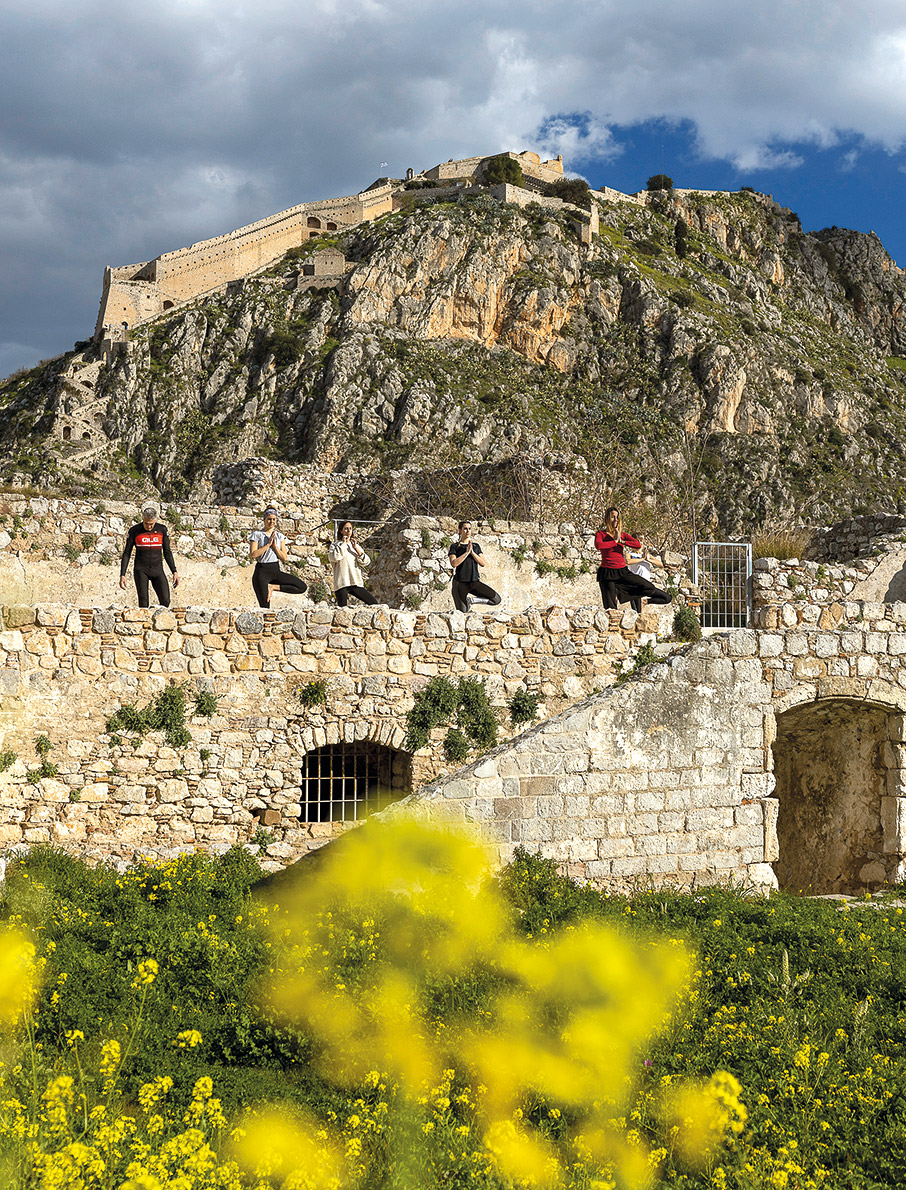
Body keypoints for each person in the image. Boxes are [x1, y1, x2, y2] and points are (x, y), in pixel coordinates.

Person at [594, 507, 671, 612]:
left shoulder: (622, 534)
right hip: (607, 573)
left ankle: (620, 593)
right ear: (607, 518)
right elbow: (599, 545)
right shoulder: (601, 534)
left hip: (622, 571)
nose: (615, 520)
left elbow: (637, 544)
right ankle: (615, 596)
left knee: (648, 587)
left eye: (617, 517)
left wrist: (622, 541)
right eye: (612, 517)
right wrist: (615, 541)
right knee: (611, 609)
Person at [119, 503, 180, 608]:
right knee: (143, 603)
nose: (149, 526)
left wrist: (174, 571)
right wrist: (122, 574)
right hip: (141, 570)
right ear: (143, 519)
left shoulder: (162, 530)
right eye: (146, 523)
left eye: (151, 524)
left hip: (157, 569)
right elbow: (127, 553)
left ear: (155, 520)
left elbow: (167, 552)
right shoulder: (134, 531)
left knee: (166, 601)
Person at [248, 507, 309, 609]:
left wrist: (275, 546)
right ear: (264, 519)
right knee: (265, 607)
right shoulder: (257, 535)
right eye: (269, 519)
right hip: (261, 572)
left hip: (275, 571)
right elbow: (253, 555)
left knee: (302, 587)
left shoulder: (280, 536)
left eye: (273, 519)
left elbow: (284, 558)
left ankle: (273, 587)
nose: (271, 521)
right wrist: (267, 545)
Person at [449, 520, 502, 613]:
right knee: (463, 613)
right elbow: (454, 563)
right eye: (465, 529)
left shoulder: (475, 546)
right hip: (460, 584)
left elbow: (483, 563)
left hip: (474, 582)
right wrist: (466, 553)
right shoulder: (455, 547)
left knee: (496, 599)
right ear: (460, 530)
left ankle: (472, 601)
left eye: (469, 529)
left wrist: (472, 552)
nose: (468, 531)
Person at [329, 521, 378, 607]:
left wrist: (356, 549)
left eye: (350, 528)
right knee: (342, 610)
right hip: (342, 583)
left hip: (354, 581)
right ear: (341, 531)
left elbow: (366, 562)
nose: (348, 531)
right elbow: (334, 558)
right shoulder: (335, 546)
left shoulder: (355, 546)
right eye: (346, 528)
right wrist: (344, 544)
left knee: (374, 603)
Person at [627, 545, 667, 613]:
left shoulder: (647, 555)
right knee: (637, 610)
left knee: (667, 598)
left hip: (646, 584)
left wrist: (648, 559)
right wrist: (642, 559)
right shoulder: (630, 554)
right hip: (635, 583)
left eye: (641, 542)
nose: (639, 545)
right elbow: (628, 561)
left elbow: (661, 564)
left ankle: (645, 602)